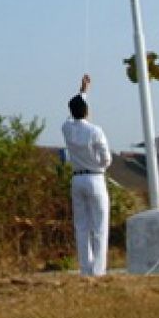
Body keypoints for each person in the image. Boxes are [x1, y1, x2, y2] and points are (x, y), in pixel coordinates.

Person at [61, 73, 112, 277]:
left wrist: (82, 91)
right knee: (99, 225)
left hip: (77, 178)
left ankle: (85, 267)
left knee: (81, 225)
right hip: (95, 177)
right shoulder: (95, 131)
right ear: (87, 111)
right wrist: (98, 164)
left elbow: (70, 116)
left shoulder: (66, 128)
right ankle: (98, 270)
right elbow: (106, 158)